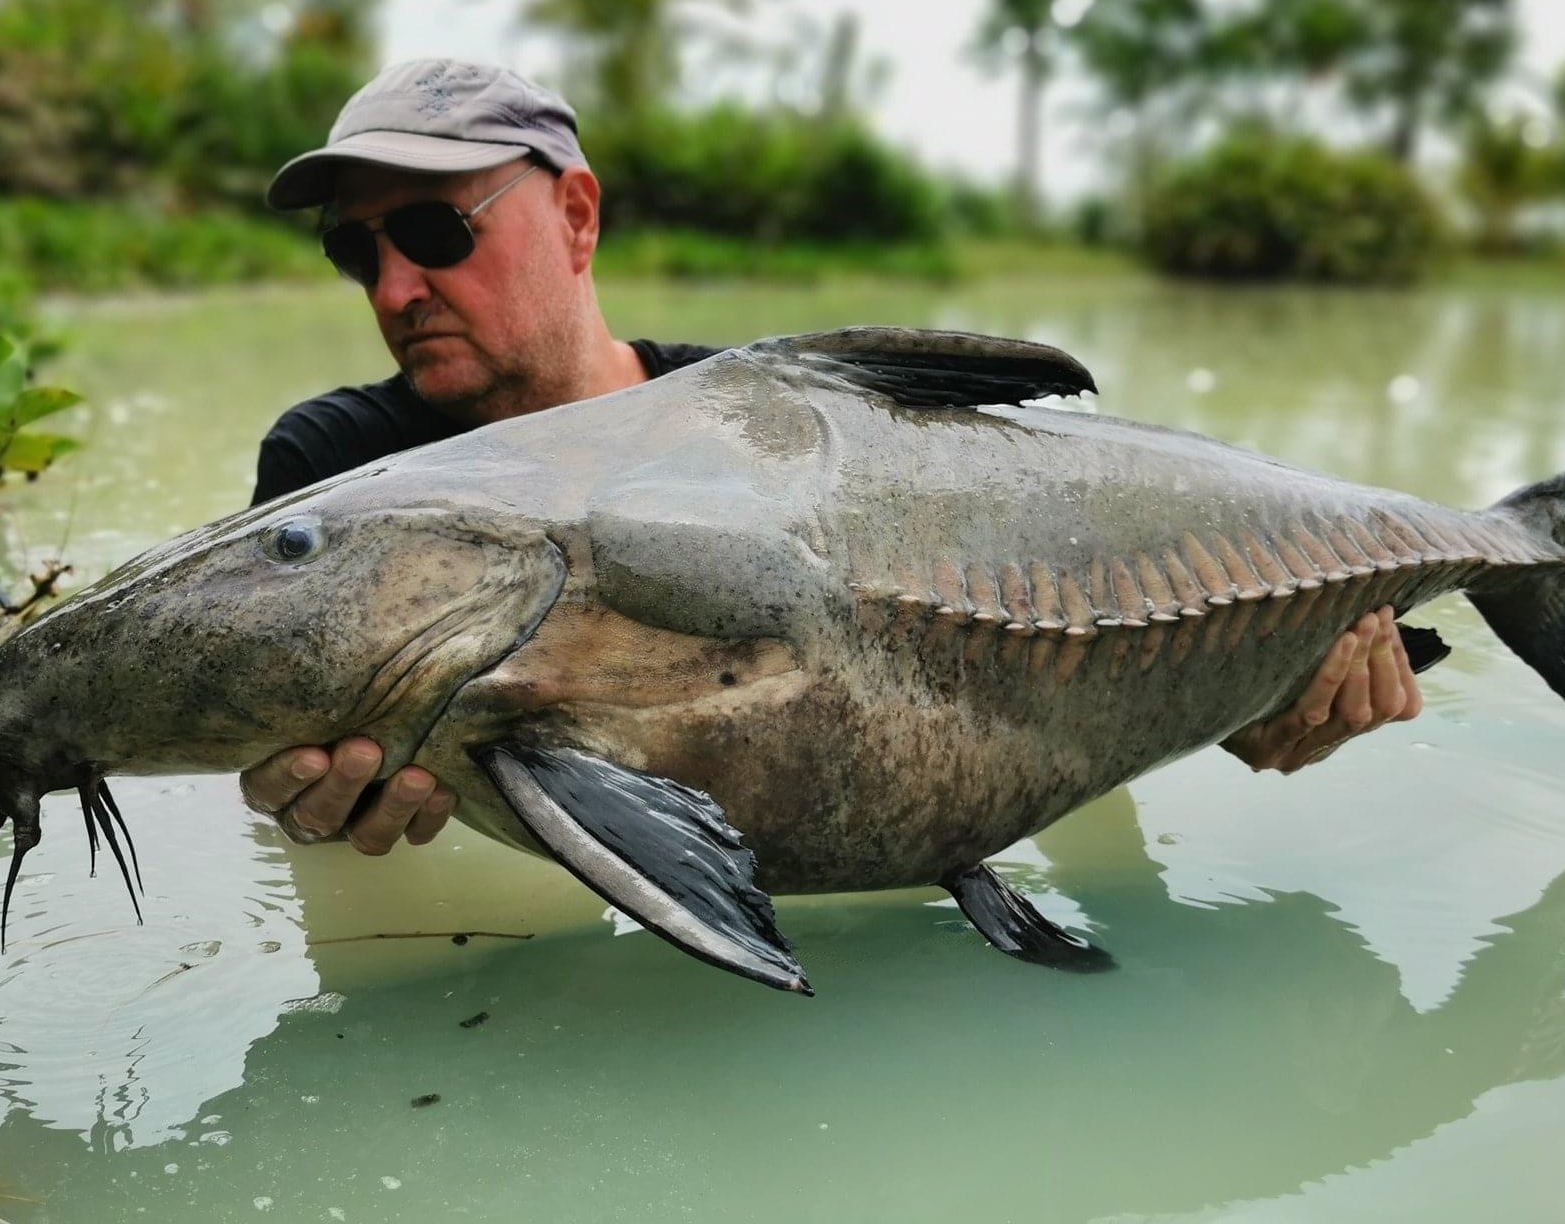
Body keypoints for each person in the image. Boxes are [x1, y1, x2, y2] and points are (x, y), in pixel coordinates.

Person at [238, 58, 1424, 855]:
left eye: (438, 230)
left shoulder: (782, 425)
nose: (396, 287)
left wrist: (1251, 697)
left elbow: (1019, 639)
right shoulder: (336, 469)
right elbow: (290, 779)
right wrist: (306, 815)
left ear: (578, 219)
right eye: (358, 252)